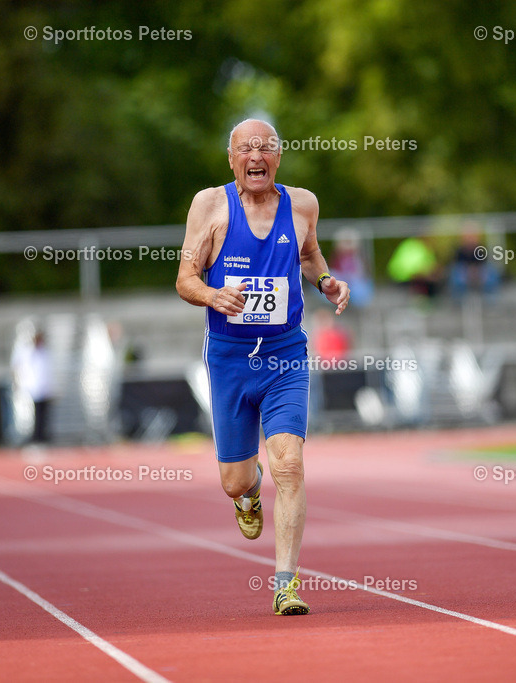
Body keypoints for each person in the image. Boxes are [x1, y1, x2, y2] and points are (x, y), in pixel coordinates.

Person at [176, 118, 349, 615]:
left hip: (284, 354)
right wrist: (213, 295)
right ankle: (248, 491)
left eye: (266, 148)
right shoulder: (209, 205)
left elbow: (310, 255)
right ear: (231, 159)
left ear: (278, 157)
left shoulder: (303, 204)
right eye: (246, 149)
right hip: (230, 357)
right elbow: (185, 278)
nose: (257, 156)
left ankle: (285, 584)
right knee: (233, 480)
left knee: (289, 464)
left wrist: (327, 281)